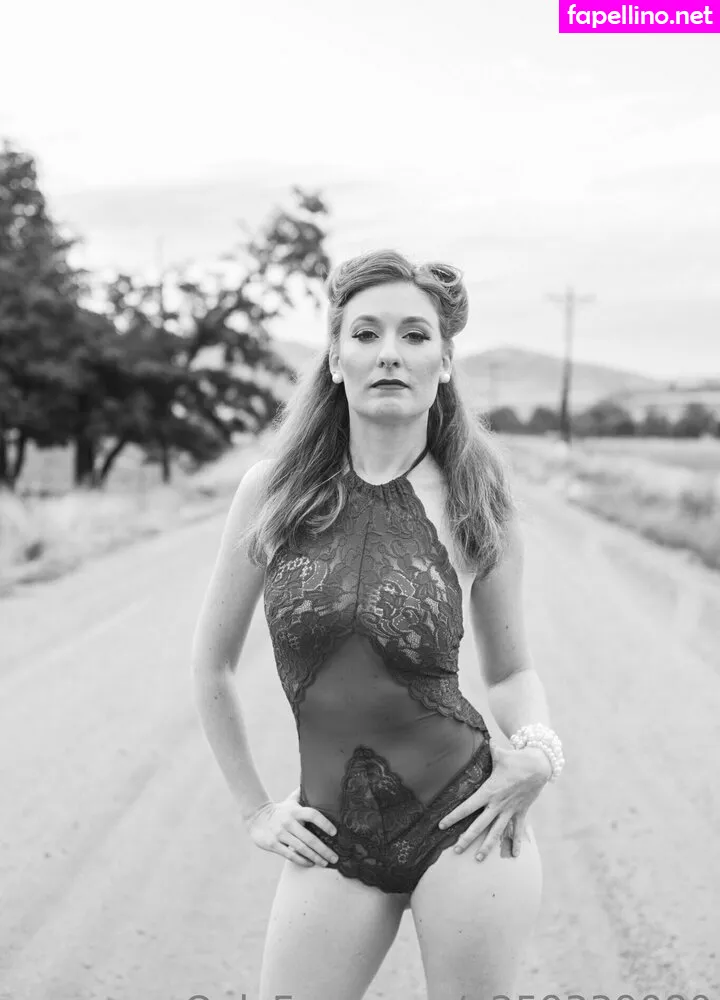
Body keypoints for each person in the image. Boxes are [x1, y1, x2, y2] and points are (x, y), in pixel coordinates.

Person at [191, 249, 564, 1000]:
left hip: (468, 825)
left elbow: (511, 672)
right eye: (365, 334)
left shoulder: (478, 501)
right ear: (335, 360)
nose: (389, 352)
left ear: (444, 363)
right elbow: (212, 666)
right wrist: (255, 809)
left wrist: (538, 752)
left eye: (414, 335)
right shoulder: (273, 493)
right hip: (333, 835)